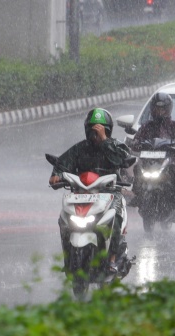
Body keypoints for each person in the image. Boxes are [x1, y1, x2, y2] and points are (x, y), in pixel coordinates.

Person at [49, 108, 131, 273]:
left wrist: (104, 141)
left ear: (108, 130)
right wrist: (56, 176)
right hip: (81, 194)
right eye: (93, 129)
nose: (96, 133)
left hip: (110, 194)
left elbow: (123, 159)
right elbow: (62, 164)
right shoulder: (79, 149)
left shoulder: (115, 145)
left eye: (100, 129)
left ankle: (113, 259)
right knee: (63, 220)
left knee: (116, 217)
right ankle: (68, 258)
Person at [129, 92, 175, 218]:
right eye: (157, 108)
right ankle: (138, 194)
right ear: (152, 108)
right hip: (148, 160)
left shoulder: (174, 126)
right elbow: (136, 139)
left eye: (162, 109)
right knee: (137, 168)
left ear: (168, 109)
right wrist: (134, 143)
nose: (159, 111)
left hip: (169, 159)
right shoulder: (146, 127)